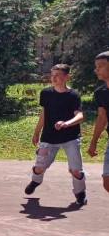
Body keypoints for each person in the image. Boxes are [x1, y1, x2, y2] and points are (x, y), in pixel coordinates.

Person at [25, 64, 86, 205]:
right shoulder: (46, 93)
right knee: (39, 168)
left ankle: (80, 192)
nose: (54, 78)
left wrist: (67, 123)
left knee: (76, 171)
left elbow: (80, 116)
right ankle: (35, 181)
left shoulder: (73, 95)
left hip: (71, 138)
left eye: (58, 75)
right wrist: (37, 132)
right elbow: (44, 114)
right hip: (49, 138)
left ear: (67, 77)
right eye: (52, 75)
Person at [87, 51, 109, 193]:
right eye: (96, 66)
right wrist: (93, 142)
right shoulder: (100, 92)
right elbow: (102, 118)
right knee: (107, 182)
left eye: (101, 66)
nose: (97, 70)